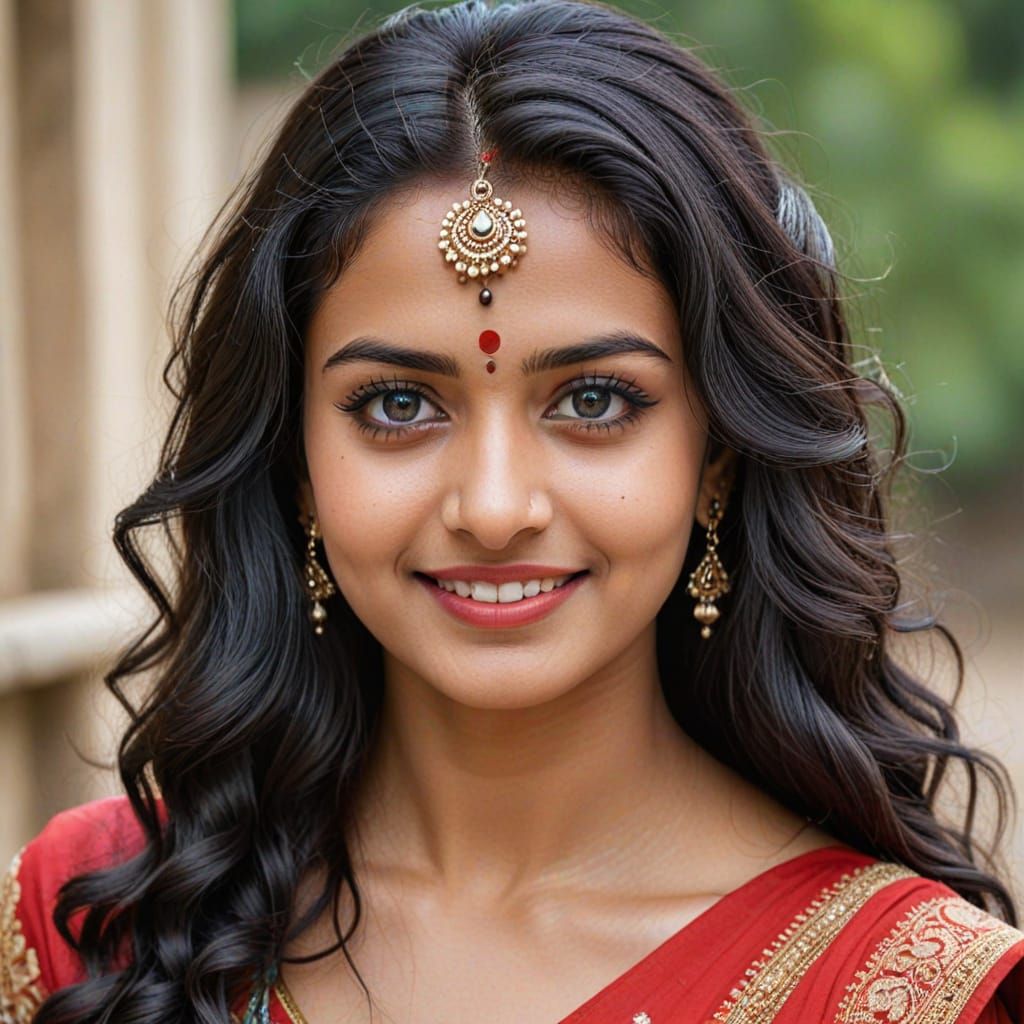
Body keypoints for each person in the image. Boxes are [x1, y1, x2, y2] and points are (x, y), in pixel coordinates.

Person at [2, 0, 1022, 1021]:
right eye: (397, 405)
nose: (493, 508)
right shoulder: (89, 924)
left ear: (716, 456)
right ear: (295, 460)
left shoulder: (901, 988)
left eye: (593, 401)